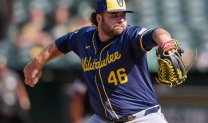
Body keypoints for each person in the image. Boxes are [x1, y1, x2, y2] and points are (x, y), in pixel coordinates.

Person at [23, 0, 177, 122]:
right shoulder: (83, 38)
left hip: (142, 117)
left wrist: (165, 42)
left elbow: (156, 33)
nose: (121, 20)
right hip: (103, 119)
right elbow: (60, 44)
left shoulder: (130, 36)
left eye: (123, 15)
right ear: (99, 17)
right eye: (114, 15)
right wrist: (38, 60)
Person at [0, 55, 32, 123]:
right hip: (3, 108)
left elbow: (20, 88)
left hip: (16, 106)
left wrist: (24, 98)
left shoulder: (12, 75)